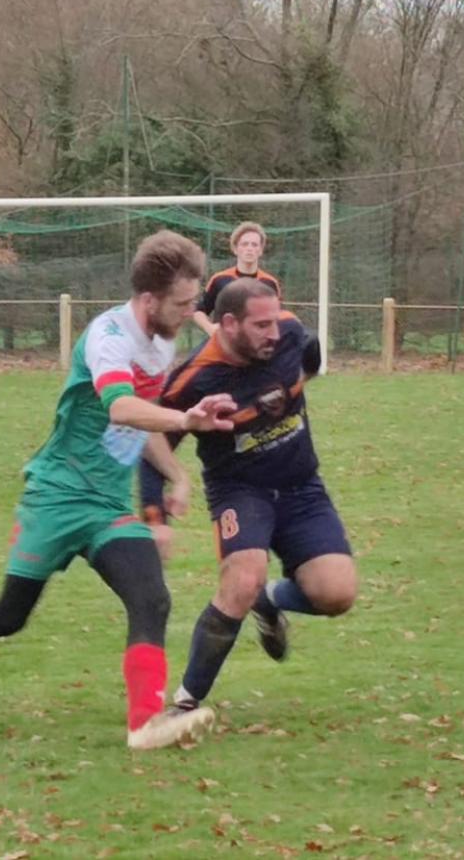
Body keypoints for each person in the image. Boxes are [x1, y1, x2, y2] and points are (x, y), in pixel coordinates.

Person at [0, 231, 238, 750]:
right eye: (182, 304)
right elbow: (119, 406)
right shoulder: (108, 336)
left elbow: (140, 424)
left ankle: (144, 725)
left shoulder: (163, 339)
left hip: (107, 503)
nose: (190, 313)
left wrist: (176, 474)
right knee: (7, 616)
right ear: (149, 299)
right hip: (57, 495)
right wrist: (187, 419)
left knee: (151, 599)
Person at [141, 278, 357, 714]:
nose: (273, 334)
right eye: (260, 326)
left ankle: (271, 599)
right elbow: (149, 443)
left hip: (302, 487)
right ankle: (184, 703)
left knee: (337, 594)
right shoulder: (197, 378)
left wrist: (301, 376)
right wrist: (156, 518)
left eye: (274, 321)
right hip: (241, 491)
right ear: (227, 324)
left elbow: (307, 358)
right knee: (242, 578)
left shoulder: (290, 333)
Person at [192, 221, 282, 337]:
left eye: (254, 245)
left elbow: (278, 318)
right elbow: (199, 311)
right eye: (245, 244)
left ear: (260, 250)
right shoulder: (219, 279)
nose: (249, 248)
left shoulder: (270, 283)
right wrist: (210, 328)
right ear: (235, 249)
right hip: (223, 348)